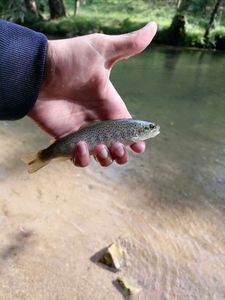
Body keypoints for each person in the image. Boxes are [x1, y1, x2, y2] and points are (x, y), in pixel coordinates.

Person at [0, 19, 157, 168]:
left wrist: (37, 66)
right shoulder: (133, 129)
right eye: (149, 127)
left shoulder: (131, 128)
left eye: (150, 127)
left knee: (89, 151)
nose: (153, 128)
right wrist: (44, 64)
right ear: (138, 131)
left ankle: (46, 155)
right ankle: (45, 155)